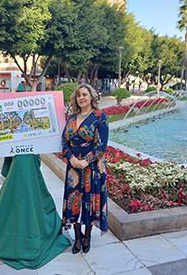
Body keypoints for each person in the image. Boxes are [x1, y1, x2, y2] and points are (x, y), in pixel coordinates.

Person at [0, 83, 70, 269]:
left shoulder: (30, 122)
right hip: (21, 164)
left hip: (27, 164)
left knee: (30, 196)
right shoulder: (14, 123)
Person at [61, 83, 109, 254]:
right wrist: (72, 158)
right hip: (73, 168)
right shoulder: (72, 118)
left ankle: (87, 236)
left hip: (92, 169)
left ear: (91, 97)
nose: (81, 98)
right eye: (78, 95)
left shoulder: (100, 116)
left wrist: (85, 161)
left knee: (89, 202)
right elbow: (64, 141)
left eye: (84, 94)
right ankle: (77, 236)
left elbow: (101, 146)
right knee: (73, 201)